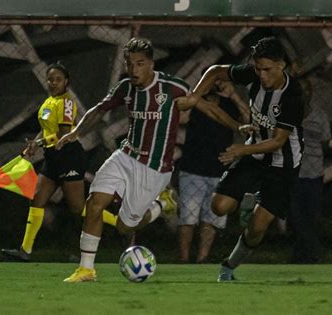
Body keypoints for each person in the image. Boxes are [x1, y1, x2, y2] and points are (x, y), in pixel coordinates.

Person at [58, 38, 242, 282]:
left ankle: (160, 205)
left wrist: (239, 127)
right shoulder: (126, 88)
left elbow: (209, 109)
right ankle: (86, 269)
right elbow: (99, 110)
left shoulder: (171, 87)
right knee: (94, 203)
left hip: (154, 169)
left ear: (151, 64)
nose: (133, 70)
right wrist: (76, 133)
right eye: (129, 63)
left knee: (125, 227)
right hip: (125, 156)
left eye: (140, 64)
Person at [175, 37, 306, 281]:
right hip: (255, 153)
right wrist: (194, 97)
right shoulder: (253, 75)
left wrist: (239, 150)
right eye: (258, 68)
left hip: (282, 165)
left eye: (267, 69)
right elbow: (215, 72)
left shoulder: (293, 96)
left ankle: (228, 266)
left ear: (281, 65)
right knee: (219, 206)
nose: (262, 75)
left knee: (256, 229)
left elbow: (278, 141)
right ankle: (250, 198)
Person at [1, 62, 117, 262]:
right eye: (50, 79)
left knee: (77, 207)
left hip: (69, 156)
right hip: (53, 158)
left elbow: (64, 133)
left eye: (58, 79)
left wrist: (39, 142)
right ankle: (25, 251)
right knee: (37, 199)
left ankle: (120, 224)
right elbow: (46, 128)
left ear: (66, 82)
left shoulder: (67, 102)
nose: (53, 83)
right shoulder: (49, 102)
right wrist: (34, 144)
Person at [178, 80, 250, 263]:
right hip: (192, 168)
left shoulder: (228, 105)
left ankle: (202, 259)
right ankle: (183, 259)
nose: (213, 85)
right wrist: (196, 94)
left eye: (217, 80)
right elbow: (180, 117)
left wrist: (233, 95)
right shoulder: (195, 103)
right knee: (188, 218)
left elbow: (248, 122)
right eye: (208, 81)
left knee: (211, 219)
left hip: (219, 170)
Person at [289, 78, 331, 264]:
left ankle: (303, 256)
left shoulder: (320, 116)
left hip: (314, 174)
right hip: (293, 173)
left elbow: (325, 143)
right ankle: (312, 253)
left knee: (311, 215)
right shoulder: (286, 115)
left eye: (307, 90)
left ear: (311, 93)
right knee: (295, 217)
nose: (304, 93)